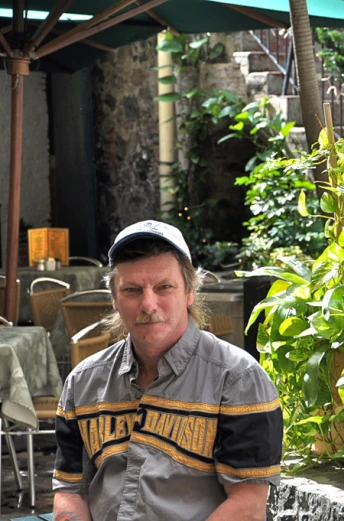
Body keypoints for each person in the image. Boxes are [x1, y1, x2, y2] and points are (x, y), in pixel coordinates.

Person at [52, 220, 283, 521]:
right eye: (132, 290)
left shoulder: (239, 379)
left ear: (189, 293)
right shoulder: (82, 383)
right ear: (114, 300)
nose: (148, 304)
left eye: (164, 287)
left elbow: (248, 507)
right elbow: (70, 492)